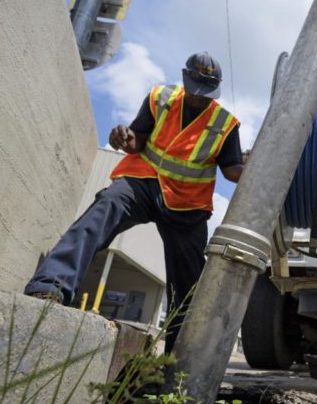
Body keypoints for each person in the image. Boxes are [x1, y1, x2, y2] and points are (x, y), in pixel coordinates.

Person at [25, 52, 243, 354]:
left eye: (206, 94)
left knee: (189, 282)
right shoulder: (160, 98)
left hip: (187, 206)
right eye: (194, 90)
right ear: (184, 79)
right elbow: (137, 140)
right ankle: (49, 287)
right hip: (142, 183)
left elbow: (232, 170)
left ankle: (178, 357)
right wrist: (124, 137)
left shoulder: (225, 124)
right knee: (103, 210)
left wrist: (254, 167)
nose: (198, 98)